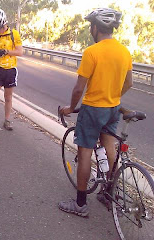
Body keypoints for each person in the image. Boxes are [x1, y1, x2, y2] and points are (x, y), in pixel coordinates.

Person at [58, 8, 133, 217]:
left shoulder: (92, 52)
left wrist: (71, 108)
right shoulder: (124, 52)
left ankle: (80, 204)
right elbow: (129, 82)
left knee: (84, 153)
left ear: (95, 27)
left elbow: (78, 88)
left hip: (92, 109)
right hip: (112, 108)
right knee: (109, 146)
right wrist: (113, 95)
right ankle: (108, 191)